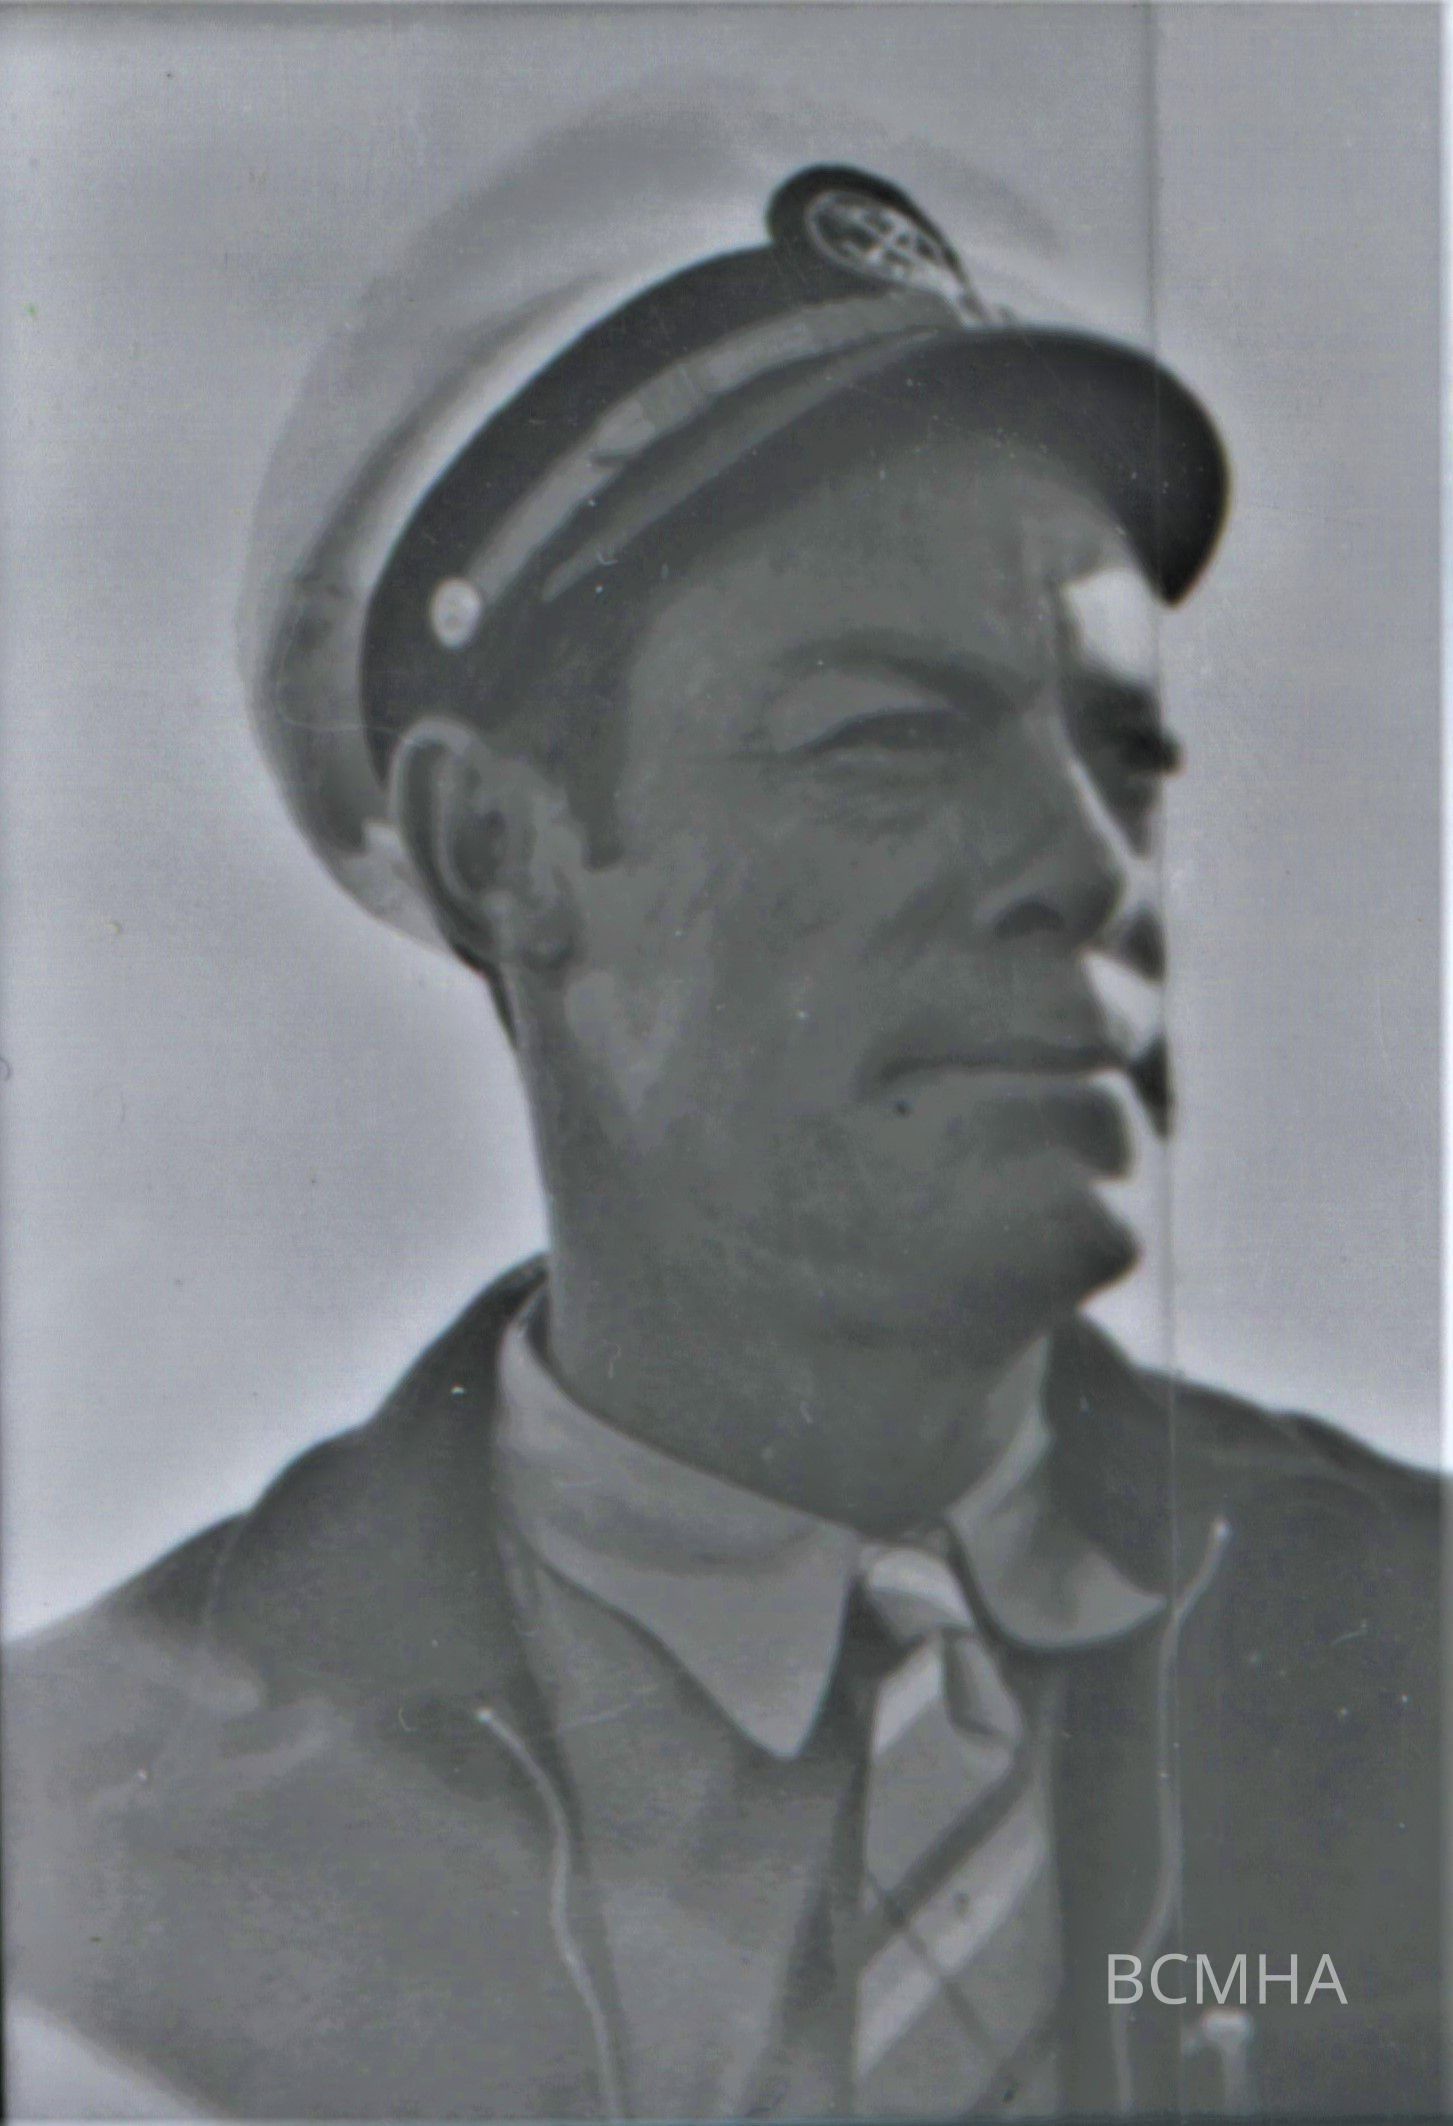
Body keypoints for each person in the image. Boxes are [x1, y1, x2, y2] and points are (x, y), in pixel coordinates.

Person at [5, 162, 1442, 2122]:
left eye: (1123, 759)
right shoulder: (81, 1837)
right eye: (889, 739)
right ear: (498, 853)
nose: (1087, 863)